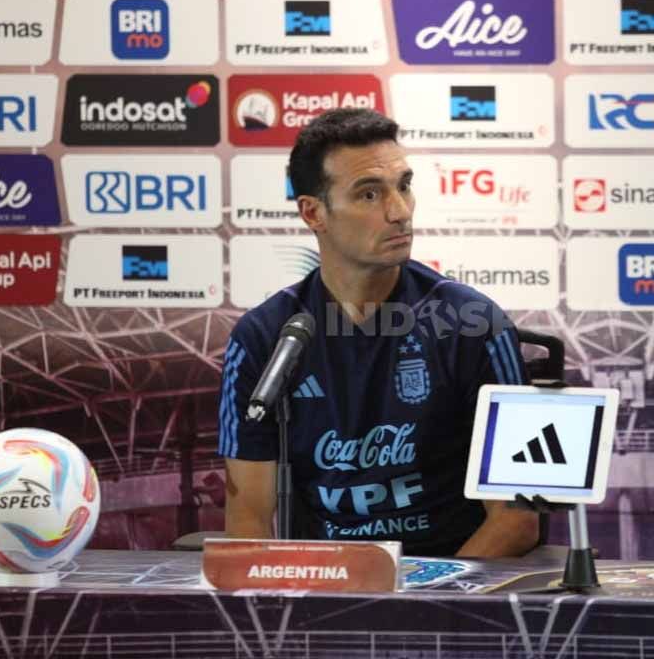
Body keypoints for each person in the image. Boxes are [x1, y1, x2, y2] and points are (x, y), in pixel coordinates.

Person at [217, 109, 539, 557]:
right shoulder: (264, 338)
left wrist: (421, 607)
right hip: (323, 588)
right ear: (314, 213)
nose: (399, 211)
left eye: (404, 186)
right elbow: (248, 519)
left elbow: (516, 520)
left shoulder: (474, 324)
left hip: (451, 589)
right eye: (369, 194)